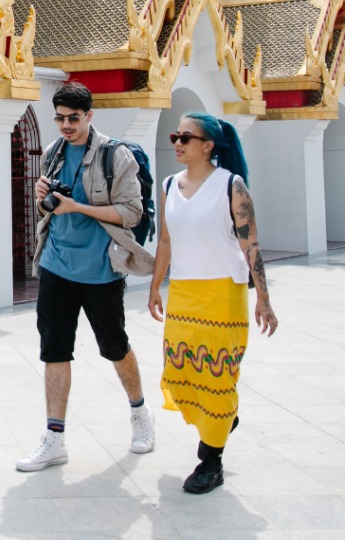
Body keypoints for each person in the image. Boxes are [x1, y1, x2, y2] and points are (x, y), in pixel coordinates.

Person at [17, 83, 156, 472]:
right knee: (54, 350)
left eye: (73, 118)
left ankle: (140, 414)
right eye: (59, 117)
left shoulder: (116, 156)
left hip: (100, 269)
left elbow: (130, 212)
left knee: (115, 347)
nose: (65, 125)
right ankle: (54, 439)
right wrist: (43, 189)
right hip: (57, 265)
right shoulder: (52, 153)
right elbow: (49, 208)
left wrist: (77, 206)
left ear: (89, 116)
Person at [148, 112, 277, 494]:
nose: (177, 142)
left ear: (208, 146)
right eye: (175, 135)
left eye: (185, 137)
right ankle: (223, 421)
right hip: (184, 294)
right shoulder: (170, 185)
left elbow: (249, 244)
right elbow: (167, 243)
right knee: (182, 375)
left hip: (223, 294)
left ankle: (211, 460)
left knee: (217, 380)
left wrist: (264, 299)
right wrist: (156, 287)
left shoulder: (230, 186)